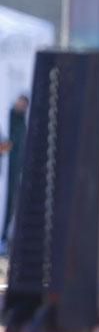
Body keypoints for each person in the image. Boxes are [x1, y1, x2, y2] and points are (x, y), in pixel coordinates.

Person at [3, 95, 30, 244]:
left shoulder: (23, 125)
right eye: (20, 102)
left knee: (11, 205)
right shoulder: (8, 118)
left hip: (15, 173)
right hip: (6, 169)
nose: (21, 106)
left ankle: (5, 238)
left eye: (24, 104)